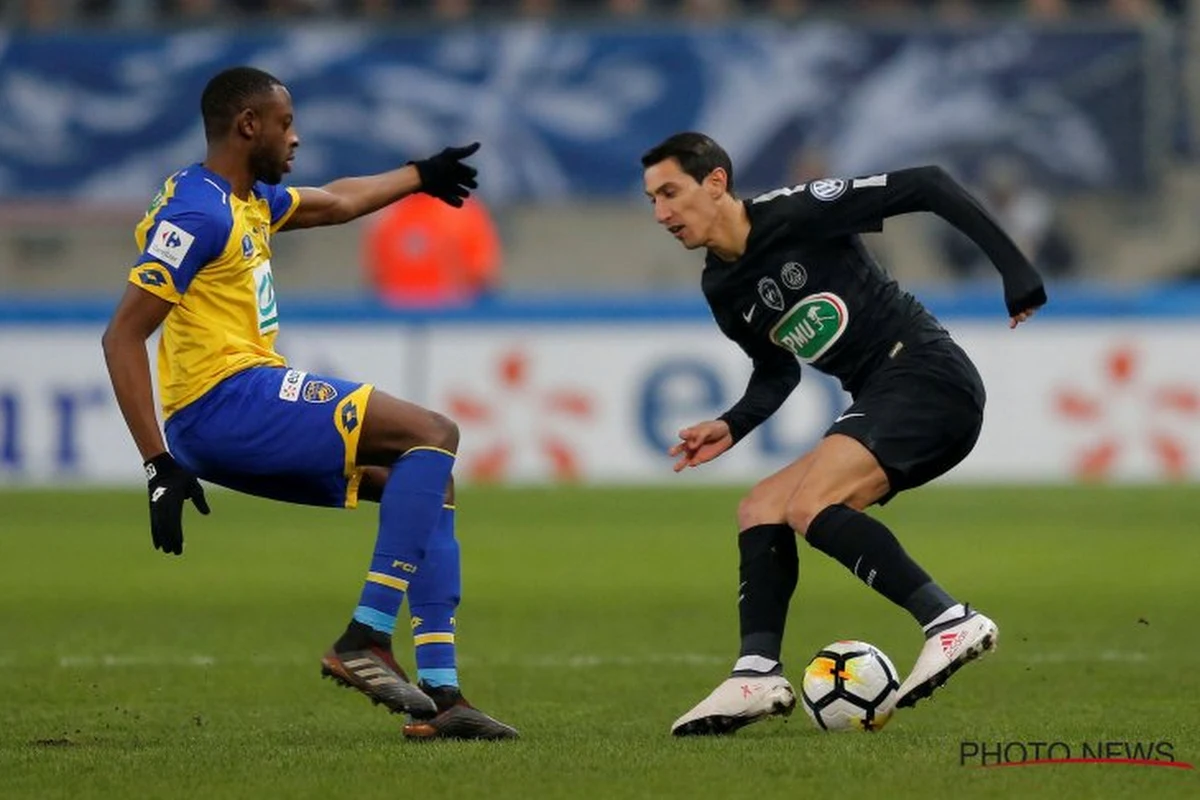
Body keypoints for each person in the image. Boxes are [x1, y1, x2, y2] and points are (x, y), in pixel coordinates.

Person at [100, 66, 517, 741]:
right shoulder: (198, 211)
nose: (296, 138)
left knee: (428, 481)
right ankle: (366, 636)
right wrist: (156, 463)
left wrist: (420, 173)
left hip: (236, 406)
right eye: (285, 123)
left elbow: (338, 202)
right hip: (225, 401)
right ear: (247, 126)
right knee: (434, 432)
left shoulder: (245, 200)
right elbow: (123, 333)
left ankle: (444, 696)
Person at [639, 132, 1045, 737]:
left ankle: (948, 621)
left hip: (926, 374)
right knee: (761, 509)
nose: (662, 213)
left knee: (811, 504)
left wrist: (1015, 271)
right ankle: (756, 673)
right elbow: (776, 370)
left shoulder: (798, 211)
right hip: (887, 395)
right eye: (651, 200)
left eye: (670, 192)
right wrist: (732, 422)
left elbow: (929, 182)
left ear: (717, 183)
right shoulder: (721, 288)